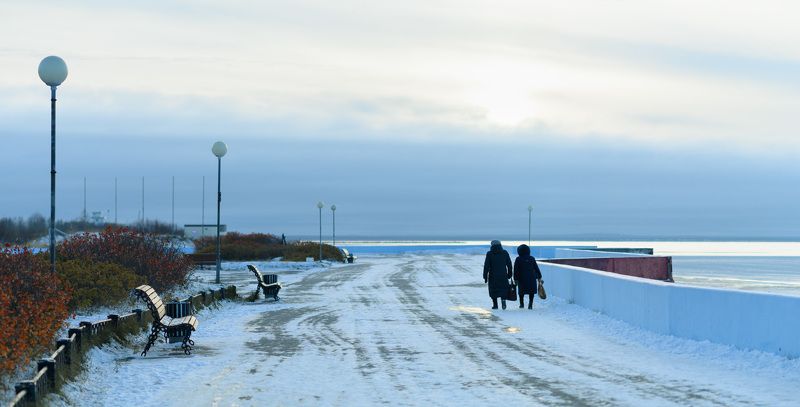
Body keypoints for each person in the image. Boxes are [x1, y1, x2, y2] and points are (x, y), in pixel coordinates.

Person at [483, 240, 512, 310]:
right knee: (503, 288)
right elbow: (509, 264)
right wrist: (509, 274)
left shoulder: (489, 254)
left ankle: (495, 305)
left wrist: (485, 276)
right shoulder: (505, 253)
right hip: (503, 275)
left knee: (493, 289)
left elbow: (486, 266)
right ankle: (503, 300)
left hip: (493, 276)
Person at [513, 244, 542, 309]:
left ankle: (521, 304)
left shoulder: (518, 259)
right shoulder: (532, 258)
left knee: (521, 291)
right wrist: (539, 276)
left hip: (521, 278)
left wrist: (515, 278)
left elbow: (515, 270)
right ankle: (530, 304)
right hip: (531, 277)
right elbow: (536, 268)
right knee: (531, 291)